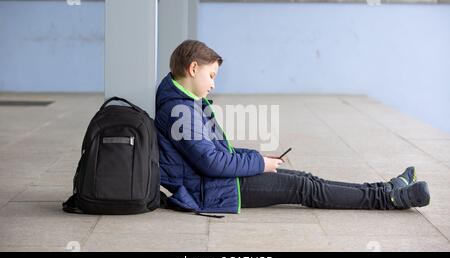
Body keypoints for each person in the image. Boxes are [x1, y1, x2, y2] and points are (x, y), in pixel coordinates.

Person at [154, 39, 430, 215]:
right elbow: (212, 164)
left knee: (308, 181)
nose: (213, 83)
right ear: (193, 69)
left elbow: (214, 154)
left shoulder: (185, 104)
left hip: (218, 182)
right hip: (216, 189)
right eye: (211, 75)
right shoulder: (180, 111)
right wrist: (259, 164)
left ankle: (385, 190)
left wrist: (257, 159)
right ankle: (390, 197)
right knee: (307, 188)